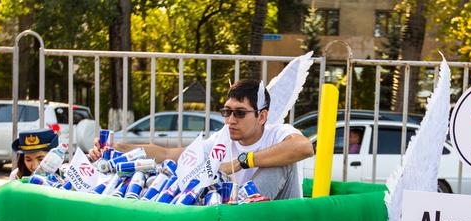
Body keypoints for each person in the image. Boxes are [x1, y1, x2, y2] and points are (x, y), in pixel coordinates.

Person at [91, 79, 314, 199]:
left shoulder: (277, 132)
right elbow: (170, 154)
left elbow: (304, 148)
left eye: (240, 113)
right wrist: (117, 148)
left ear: (262, 116)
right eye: (227, 112)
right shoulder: (223, 137)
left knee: (280, 160)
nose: (231, 120)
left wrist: (242, 161)